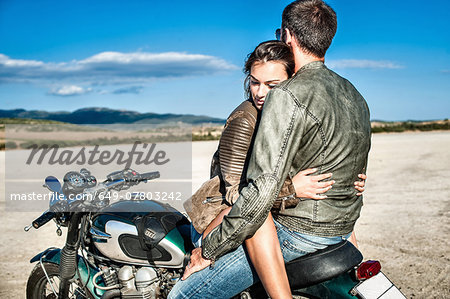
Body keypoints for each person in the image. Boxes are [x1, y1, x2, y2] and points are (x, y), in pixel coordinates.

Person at [172, 13, 369, 296]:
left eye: (273, 85)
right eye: (255, 82)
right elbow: (242, 196)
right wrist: (291, 190)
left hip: (275, 219)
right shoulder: (245, 120)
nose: (262, 92)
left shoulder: (294, 103)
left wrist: (349, 179)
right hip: (227, 216)